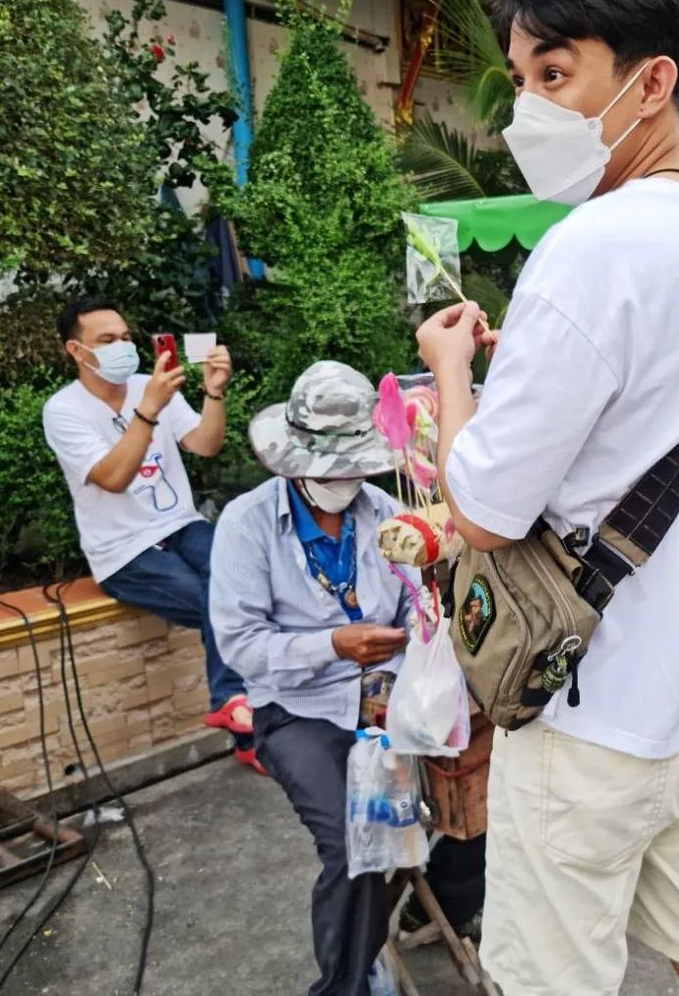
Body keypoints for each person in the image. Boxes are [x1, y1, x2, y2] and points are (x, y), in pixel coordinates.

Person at [417, 0, 679, 996]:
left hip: (590, 716)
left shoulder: (589, 248)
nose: (530, 109)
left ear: (652, 79)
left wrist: (451, 373)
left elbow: (485, 511)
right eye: (523, 79)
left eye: (557, 73)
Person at [209, 362, 485, 993]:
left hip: (391, 698)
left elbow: (419, 602)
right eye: (330, 469)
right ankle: (345, 981)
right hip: (299, 711)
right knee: (355, 844)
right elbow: (242, 648)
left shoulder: (387, 511)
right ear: (294, 459)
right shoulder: (247, 526)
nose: (344, 481)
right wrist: (332, 644)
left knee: (479, 798)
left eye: (356, 464)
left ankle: (430, 904)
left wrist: (432, 614)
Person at [42, 299, 257, 769]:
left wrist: (214, 395)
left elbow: (204, 444)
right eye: (107, 341)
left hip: (180, 524)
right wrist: (148, 411)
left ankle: (237, 713)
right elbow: (113, 477)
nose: (123, 346)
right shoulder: (64, 411)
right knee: (215, 598)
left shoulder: (147, 385)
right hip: (123, 551)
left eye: (124, 337)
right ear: (77, 350)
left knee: (247, 575)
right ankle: (242, 722)